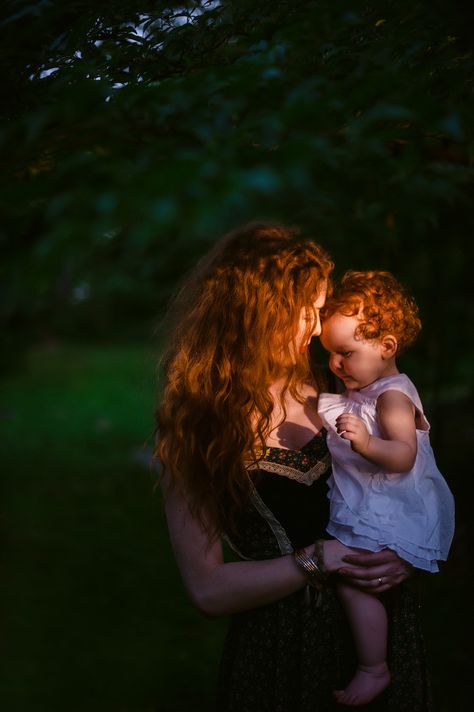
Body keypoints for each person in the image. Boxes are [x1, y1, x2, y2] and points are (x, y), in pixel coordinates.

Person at [155, 223, 433, 712]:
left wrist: (408, 554)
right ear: (261, 311)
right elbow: (207, 590)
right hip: (279, 645)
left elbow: (419, 484)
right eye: (307, 310)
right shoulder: (197, 421)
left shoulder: (347, 384)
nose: (314, 326)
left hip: (380, 632)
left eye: (320, 309)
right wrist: (315, 560)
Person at [317, 270, 455, 706]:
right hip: (377, 501)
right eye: (330, 355)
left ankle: (373, 667)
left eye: (346, 353)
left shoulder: (392, 397)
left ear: (387, 347)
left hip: (393, 507)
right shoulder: (368, 390)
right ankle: (373, 662)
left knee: (354, 582)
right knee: (354, 581)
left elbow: (403, 456)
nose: (336, 366)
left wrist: (365, 441)